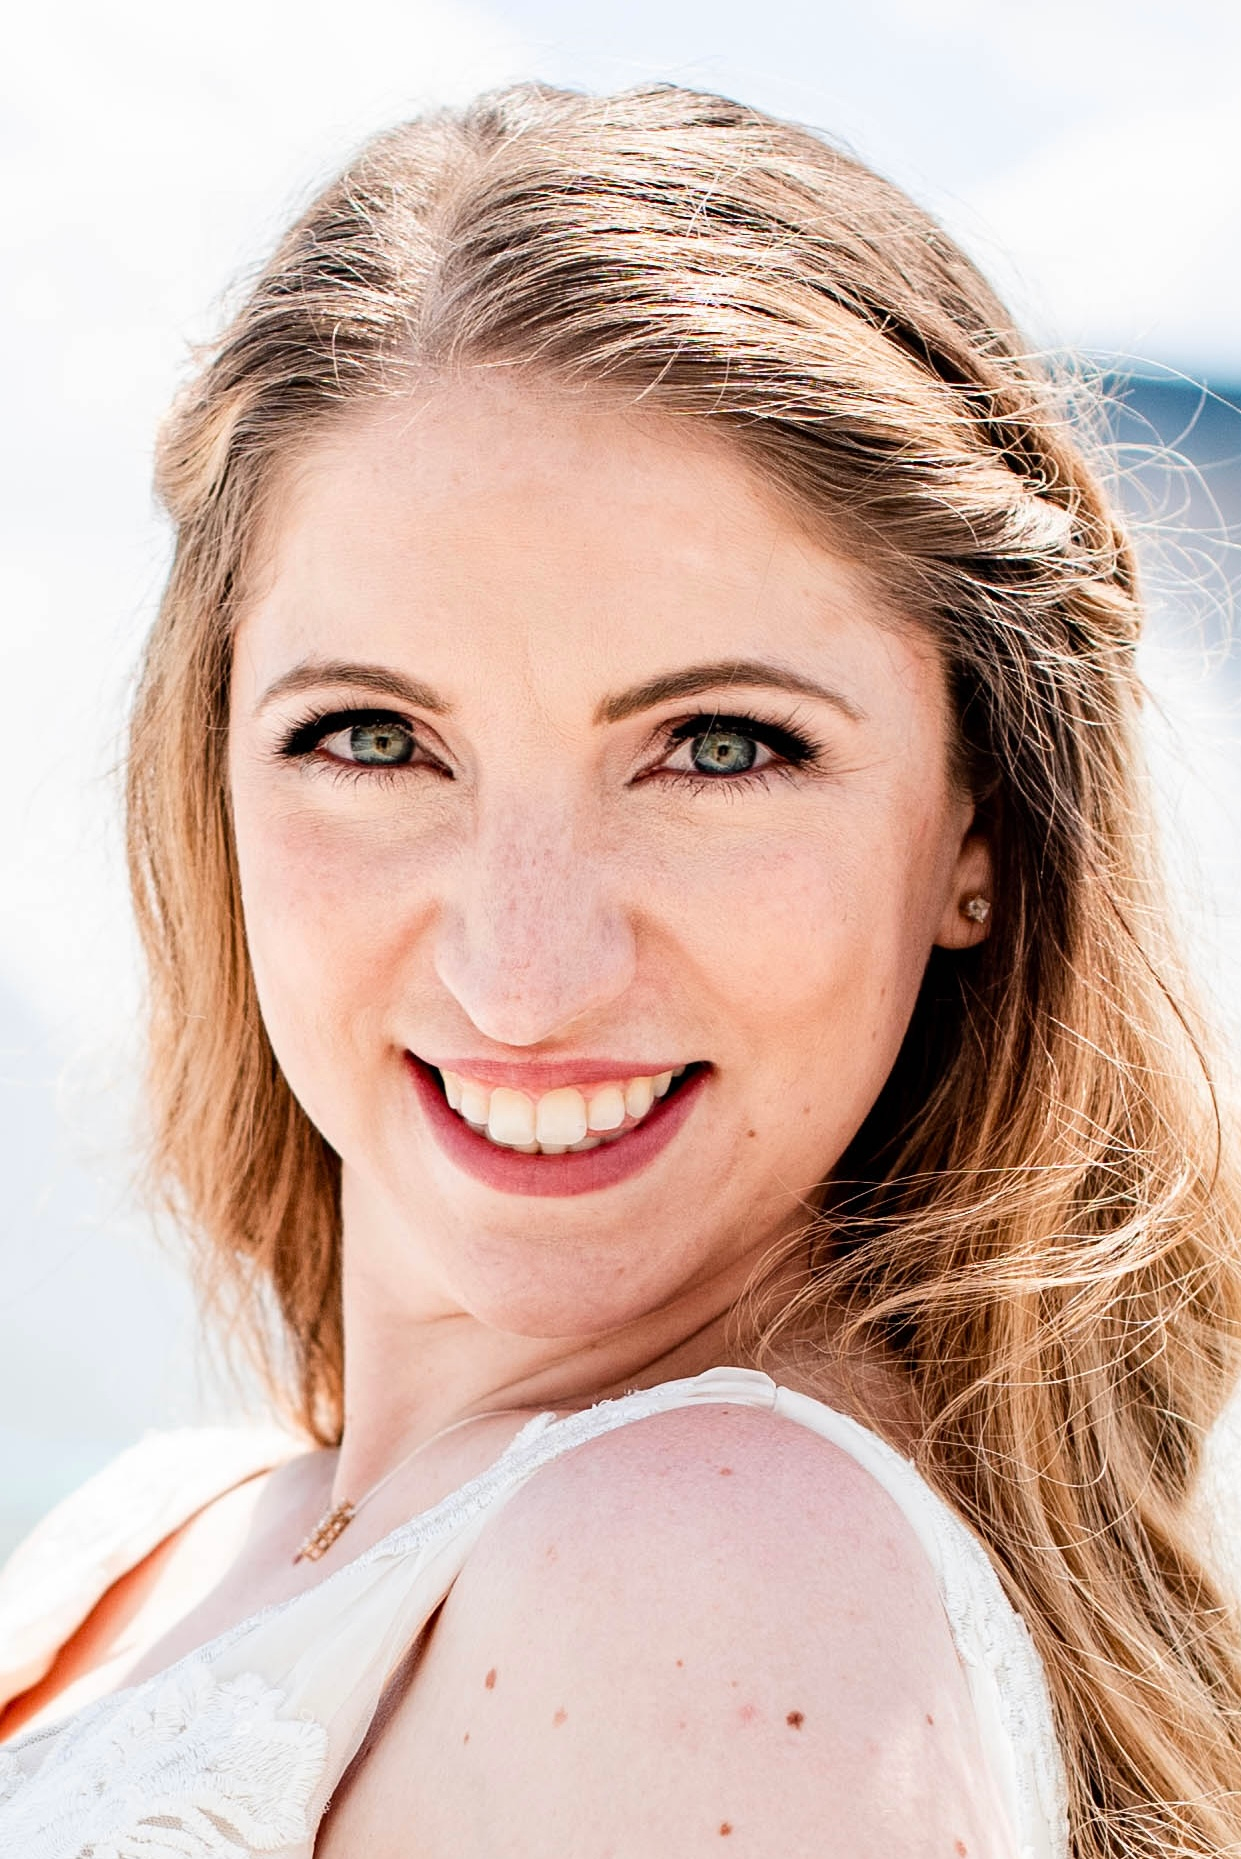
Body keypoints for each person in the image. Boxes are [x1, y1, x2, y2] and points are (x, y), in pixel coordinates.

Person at [1, 80, 1239, 1859]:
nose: (525, 972)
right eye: (370, 738)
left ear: (983, 826)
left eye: (721, 747)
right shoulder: (168, 1526)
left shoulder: (707, 1578)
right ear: (207, 769)